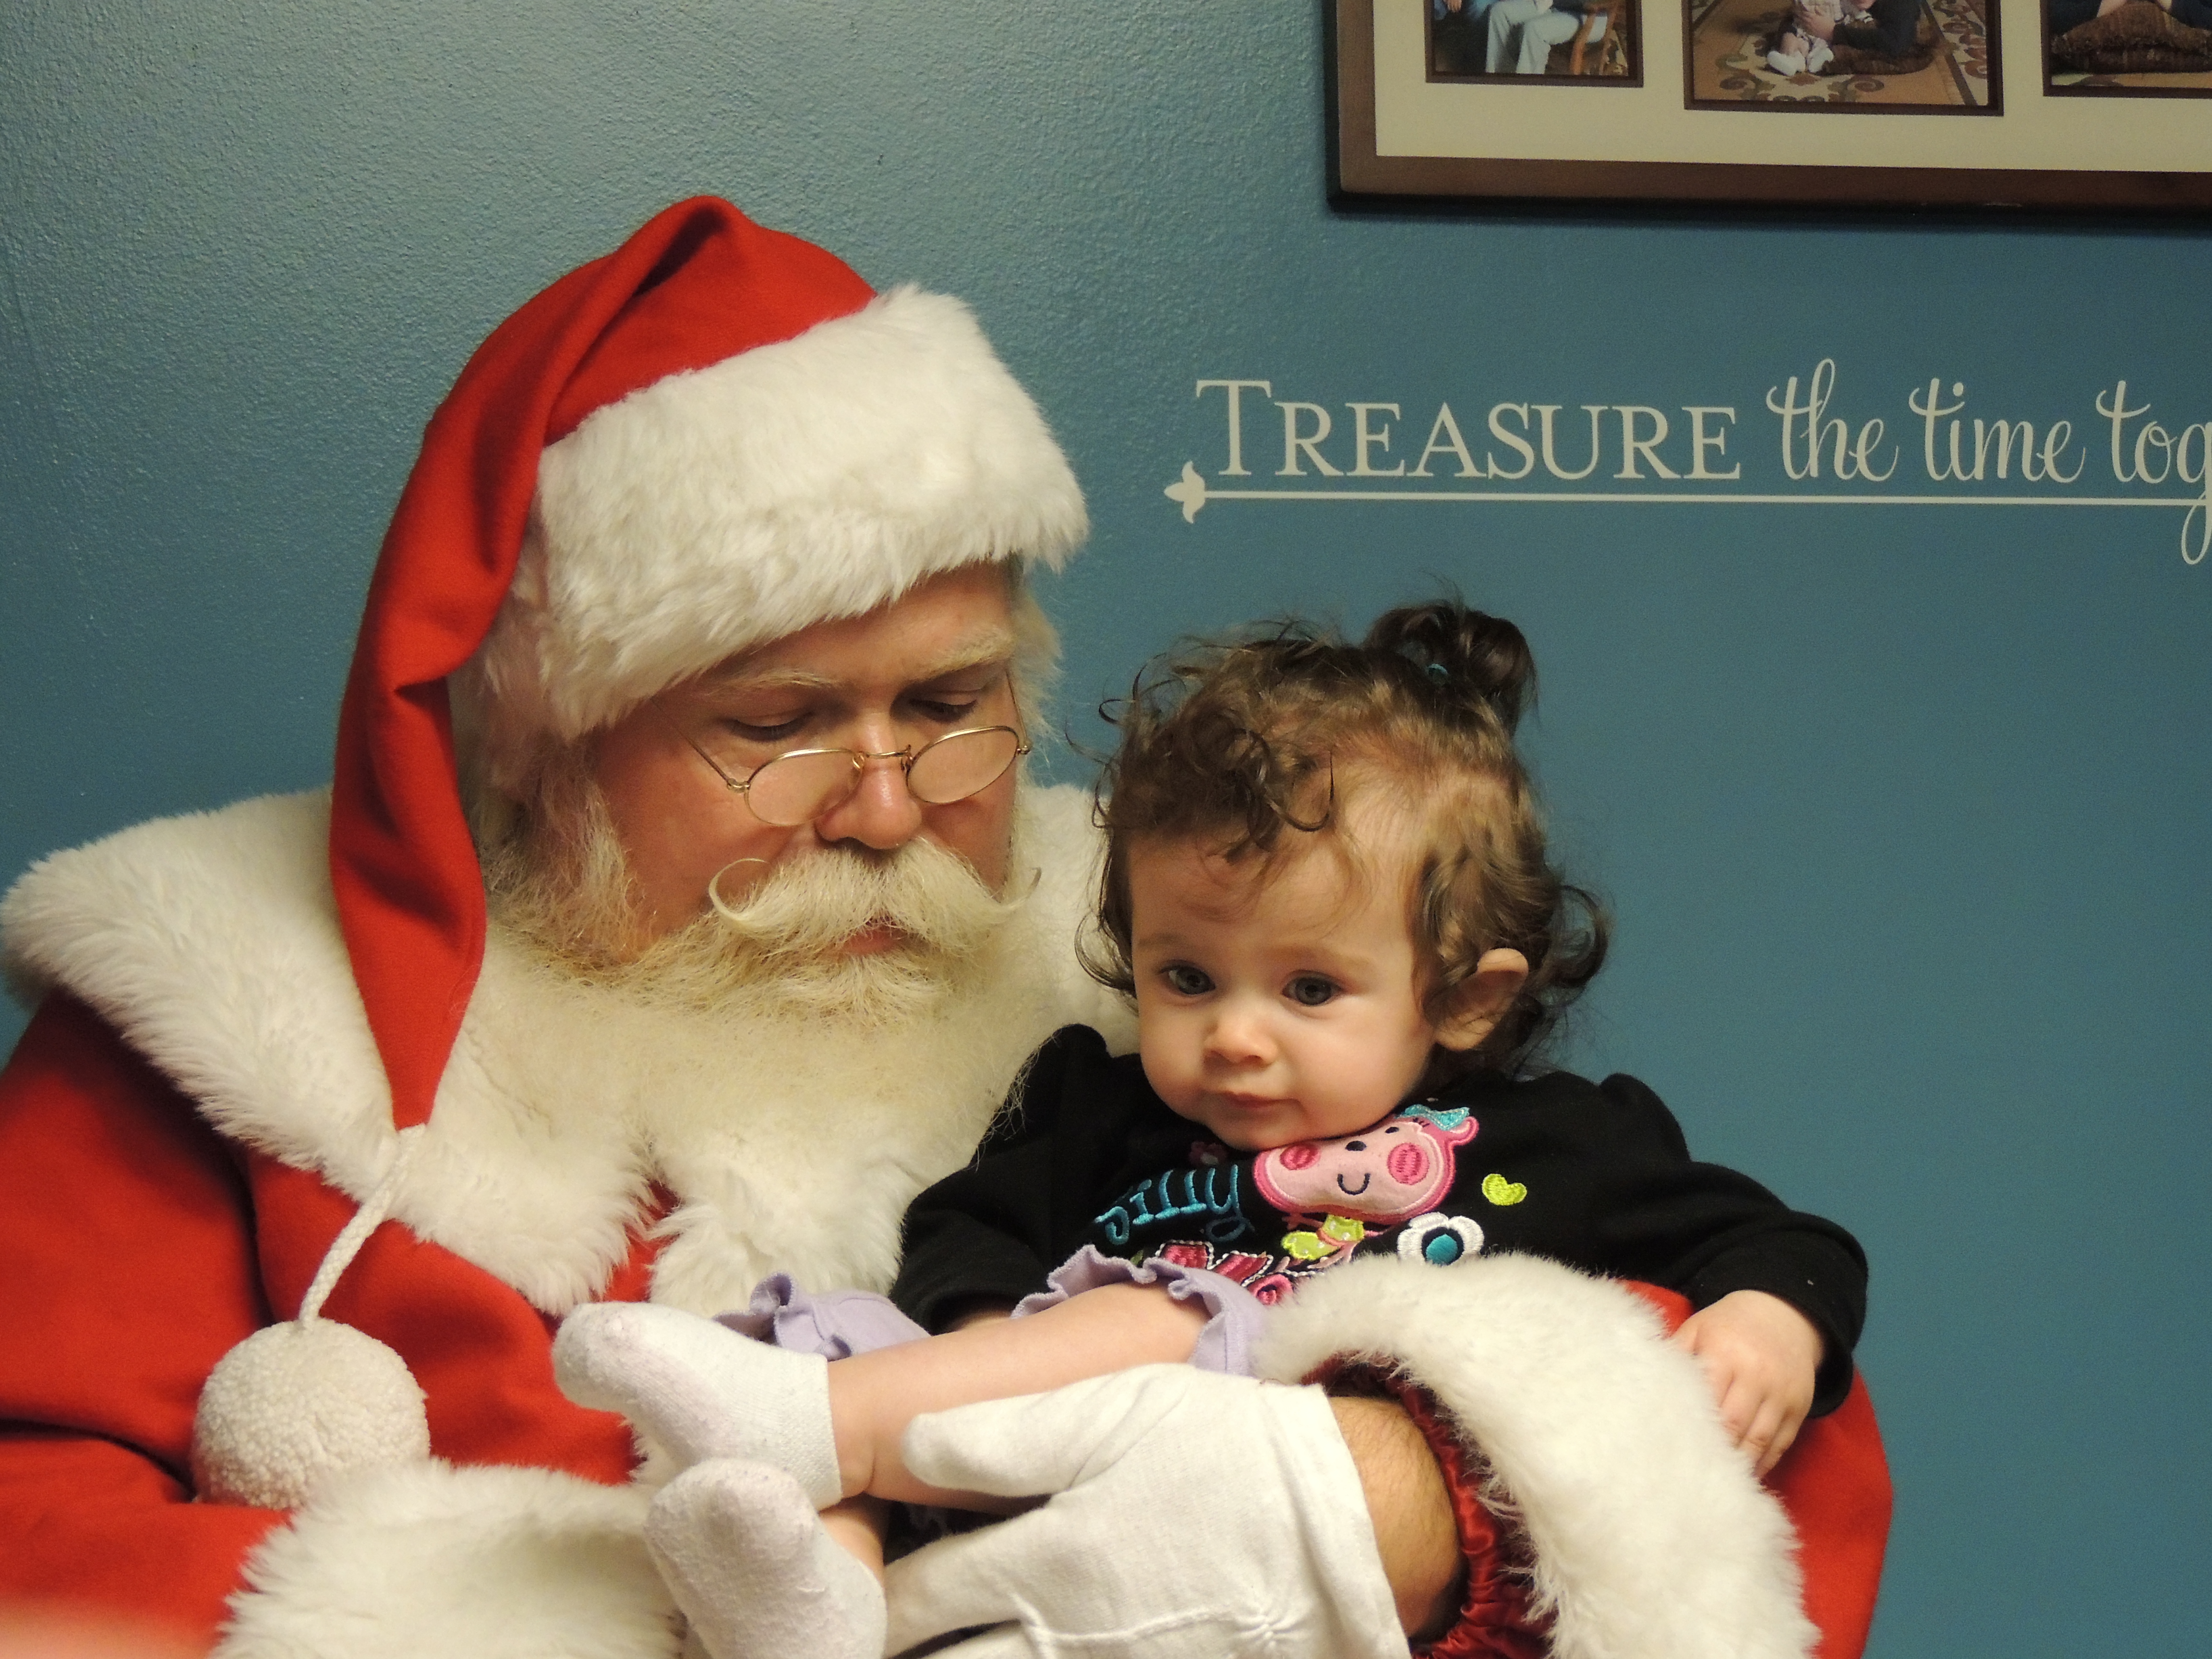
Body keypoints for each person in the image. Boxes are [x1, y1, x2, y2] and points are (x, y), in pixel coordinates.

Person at [0, 197, 1889, 1659]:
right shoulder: (228, 1010)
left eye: (952, 705)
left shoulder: (1192, 950)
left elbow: (1763, 1412)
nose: (894, 807)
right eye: (781, 726)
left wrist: (1393, 1498)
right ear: (553, 745)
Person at [554, 602, 1865, 1659]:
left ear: (1464, 994)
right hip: (1003, 1450)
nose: (1236, 1036)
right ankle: (816, 1608)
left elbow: (1774, 1238)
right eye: (1188, 978)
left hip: (1232, 1464)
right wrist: (978, 1353)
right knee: (827, 1329)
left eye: (1308, 990)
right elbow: (971, 1225)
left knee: (1157, 1317)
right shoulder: (1097, 1105)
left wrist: (1769, 1319)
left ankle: (821, 1424)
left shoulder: (1556, 1142)